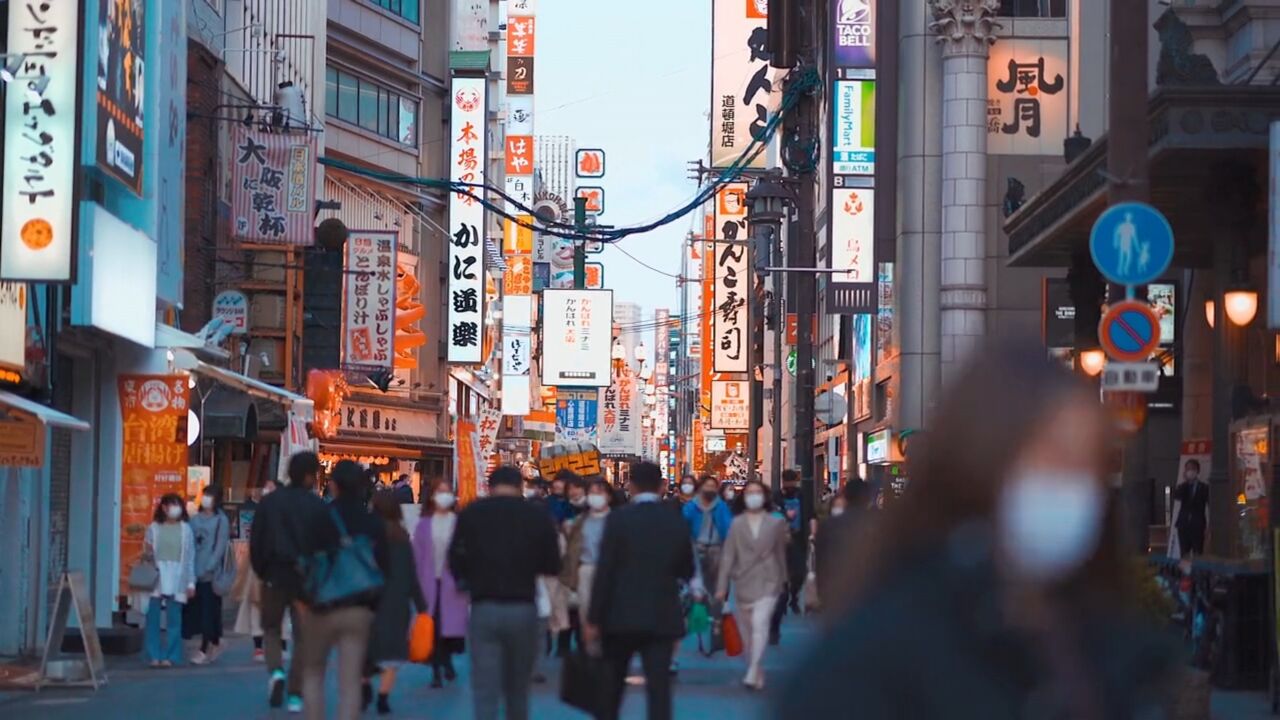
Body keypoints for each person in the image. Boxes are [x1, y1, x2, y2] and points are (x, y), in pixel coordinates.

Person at [776, 342, 1176, 718]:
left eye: (1087, 467)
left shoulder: (1106, 643)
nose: (1072, 488)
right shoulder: (881, 653)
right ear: (980, 464)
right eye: (1051, 461)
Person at [449, 466, 560, 720]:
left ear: (490, 485)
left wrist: (467, 581)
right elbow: (552, 564)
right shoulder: (536, 516)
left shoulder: (472, 513)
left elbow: (455, 557)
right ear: (520, 486)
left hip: (483, 606)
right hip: (523, 605)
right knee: (518, 688)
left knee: (485, 687)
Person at [586, 462, 695, 720]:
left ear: (630, 485)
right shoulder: (674, 519)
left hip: (619, 614)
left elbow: (605, 570)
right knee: (659, 690)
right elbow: (686, 569)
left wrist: (593, 617)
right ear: (662, 486)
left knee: (611, 687)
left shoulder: (617, 519)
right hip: (661, 613)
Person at [298, 460, 388, 720]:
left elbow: (304, 561)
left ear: (333, 486)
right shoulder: (373, 522)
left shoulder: (319, 517)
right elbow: (385, 569)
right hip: (359, 608)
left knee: (313, 673)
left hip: (321, 606)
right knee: (350, 682)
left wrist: (303, 599)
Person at [249, 452, 328, 712]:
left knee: (271, 628)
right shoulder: (316, 506)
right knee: (303, 637)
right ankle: (295, 694)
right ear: (309, 475)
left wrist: (262, 571)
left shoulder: (269, 503)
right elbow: (323, 548)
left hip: (274, 574)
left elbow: (256, 542)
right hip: (305, 581)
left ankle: (276, 672)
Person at [716, 480, 788, 690]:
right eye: (750, 492)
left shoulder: (775, 523)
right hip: (743, 580)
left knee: (760, 623)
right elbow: (728, 556)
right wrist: (722, 585)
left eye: (758, 492)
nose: (754, 496)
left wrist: (783, 580)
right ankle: (755, 667)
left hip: (769, 579)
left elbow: (780, 554)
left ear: (765, 497)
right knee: (747, 628)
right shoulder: (737, 524)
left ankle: (752, 670)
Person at [363, 491, 425, 715]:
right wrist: (421, 606)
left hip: (370, 600)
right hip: (397, 602)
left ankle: (364, 683)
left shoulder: (367, 536)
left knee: (366, 649)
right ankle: (383, 696)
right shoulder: (402, 537)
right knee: (393, 654)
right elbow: (411, 573)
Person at [412, 478, 468, 688]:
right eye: (440, 492)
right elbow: (416, 556)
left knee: (448, 628)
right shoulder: (424, 524)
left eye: (447, 492)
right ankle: (436, 668)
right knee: (432, 627)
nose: (444, 496)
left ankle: (446, 661)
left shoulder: (460, 523)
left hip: (452, 583)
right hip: (429, 581)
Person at [235, 479, 290, 662]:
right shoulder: (261, 511)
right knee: (256, 605)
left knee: (281, 608)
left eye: (271, 488)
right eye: (265, 487)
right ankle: (258, 647)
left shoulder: (284, 513)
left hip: (278, 566)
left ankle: (281, 645)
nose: (266, 490)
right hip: (259, 567)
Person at [141, 494, 196, 667]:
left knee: (174, 618)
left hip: (178, 575)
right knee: (153, 618)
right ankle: (154, 655)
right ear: (163, 507)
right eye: (171, 504)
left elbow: (190, 558)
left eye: (177, 504)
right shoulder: (154, 528)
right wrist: (148, 553)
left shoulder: (186, 529)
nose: (175, 508)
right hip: (157, 575)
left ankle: (171, 656)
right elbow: (146, 553)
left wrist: (191, 582)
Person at [186, 484, 231, 664]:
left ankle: (205, 647)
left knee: (209, 611)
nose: (205, 499)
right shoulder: (194, 520)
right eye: (204, 495)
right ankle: (215, 642)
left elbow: (220, 547)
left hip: (211, 574)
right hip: (193, 572)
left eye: (209, 496)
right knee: (201, 611)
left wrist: (209, 567)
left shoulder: (221, 520)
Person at [813, 480, 874, 608]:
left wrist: (821, 592)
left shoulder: (829, 525)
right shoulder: (880, 524)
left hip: (837, 588)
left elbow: (821, 561)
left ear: (845, 497)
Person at [561, 477, 614, 621]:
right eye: (592, 492)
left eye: (600, 492)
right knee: (586, 615)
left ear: (609, 496)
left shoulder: (617, 520)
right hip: (585, 569)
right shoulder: (580, 521)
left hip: (609, 571)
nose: (595, 496)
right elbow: (571, 550)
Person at [683, 475, 734, 615]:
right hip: (696, 547)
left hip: (716, 548)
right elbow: (684, 525)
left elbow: (728, 526)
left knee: (718, 580)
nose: (710, 489)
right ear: (701, 487)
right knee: (698, 580)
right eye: (707, 485)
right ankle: (700, 607)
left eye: (713, 486)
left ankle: (717, 606)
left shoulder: (721, 506)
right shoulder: (691, 506)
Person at [1172, 458, 1209, 557]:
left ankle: (1196, 572)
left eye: (1192, 469)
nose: (1190, 471)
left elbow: (1208, 503)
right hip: (1183, 525)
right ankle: (1185, 572)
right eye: (1188, 469)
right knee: (1184, 553)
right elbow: (1177, 496)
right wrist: (1186, 482)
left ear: (1197, 471)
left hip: (1198, 525)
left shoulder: (1204, 487)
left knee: (1198, 552)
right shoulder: (1183, 486)